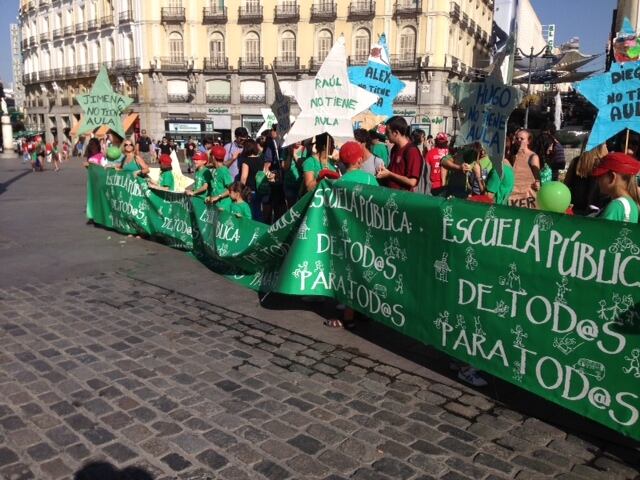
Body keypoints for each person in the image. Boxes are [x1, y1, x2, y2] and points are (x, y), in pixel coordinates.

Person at [376, 116, 422, 191]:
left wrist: (389, 174)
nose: (386, 136)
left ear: (396, 133)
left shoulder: (412, 151)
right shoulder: (395, 148)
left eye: (388, 133)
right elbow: (395, 170)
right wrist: (384, 172)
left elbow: (412, 182)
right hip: (391, 194)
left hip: (403, 198)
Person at [592, 152, 640, 222]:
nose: (597, 179)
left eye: (600, 175)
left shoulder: (616, 206)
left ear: (612, 177)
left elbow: (600, 232)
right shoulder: (632, 204)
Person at [564, 143, 609, 216]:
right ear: (599, 147)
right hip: (596, 212)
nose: (607, 147)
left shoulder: (575, 162)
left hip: (576, 211)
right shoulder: (603, 165)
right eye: (605, 145)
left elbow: (566, 186)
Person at [509, 129, 541, 208]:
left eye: (522, 139)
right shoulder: (513, 156)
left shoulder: (533, 157)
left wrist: (536, 184)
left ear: (528, 141)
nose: (518, 141)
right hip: (515, 195)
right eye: (517, 138)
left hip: (527, 197)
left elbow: (537, 179)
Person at [239, 139, 266, 220]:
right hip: (260, 189)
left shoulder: (246, 161)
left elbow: (243, 178)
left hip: (249, 190)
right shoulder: (261, 159)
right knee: (258, 211)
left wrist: (240, 191)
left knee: (250, 212)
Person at [207, 145, 234, 211]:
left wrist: (218, 197)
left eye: (210, 155)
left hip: (223, 206)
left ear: (213, 157)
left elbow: (231, 189)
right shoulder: (216, 169)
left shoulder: (224, 171)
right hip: (216, 205)